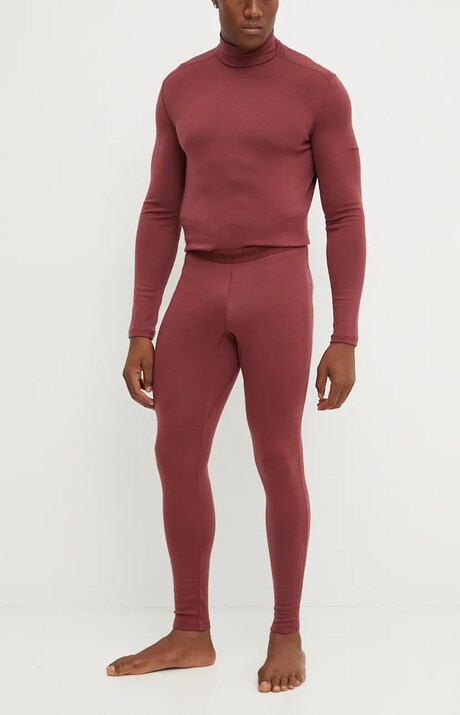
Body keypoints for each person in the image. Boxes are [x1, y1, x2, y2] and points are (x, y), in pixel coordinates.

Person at [107, 0, 366, 694]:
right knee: (174, 450)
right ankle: (191, 629)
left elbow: (344, 214)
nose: (254, 7)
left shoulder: (319, 89)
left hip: (277, 284)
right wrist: (140, 325)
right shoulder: (180, 87)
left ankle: (287, 631)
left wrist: (345, 335)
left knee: (277, 454)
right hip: (197, 284)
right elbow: (161, 208)